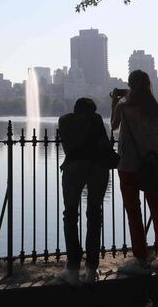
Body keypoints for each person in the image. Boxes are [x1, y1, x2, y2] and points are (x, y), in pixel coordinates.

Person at [112, 70, 158, 275]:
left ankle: (141, 259)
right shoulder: (155, 108)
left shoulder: (124, 106)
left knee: (134, 212)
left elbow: (113, 126)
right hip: (150, 166)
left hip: (129, 165)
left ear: (130, 85)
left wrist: (116, 101)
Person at [58, 97, 113, 286]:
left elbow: (67, 146)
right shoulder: (96, 120)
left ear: (75, 109)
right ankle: (91, 269)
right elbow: (106, 145)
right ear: (93, 110)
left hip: (74, 167)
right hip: (98, 167)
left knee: (71, 215)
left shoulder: (65, 120)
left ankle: (72, 269)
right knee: (94, 214)